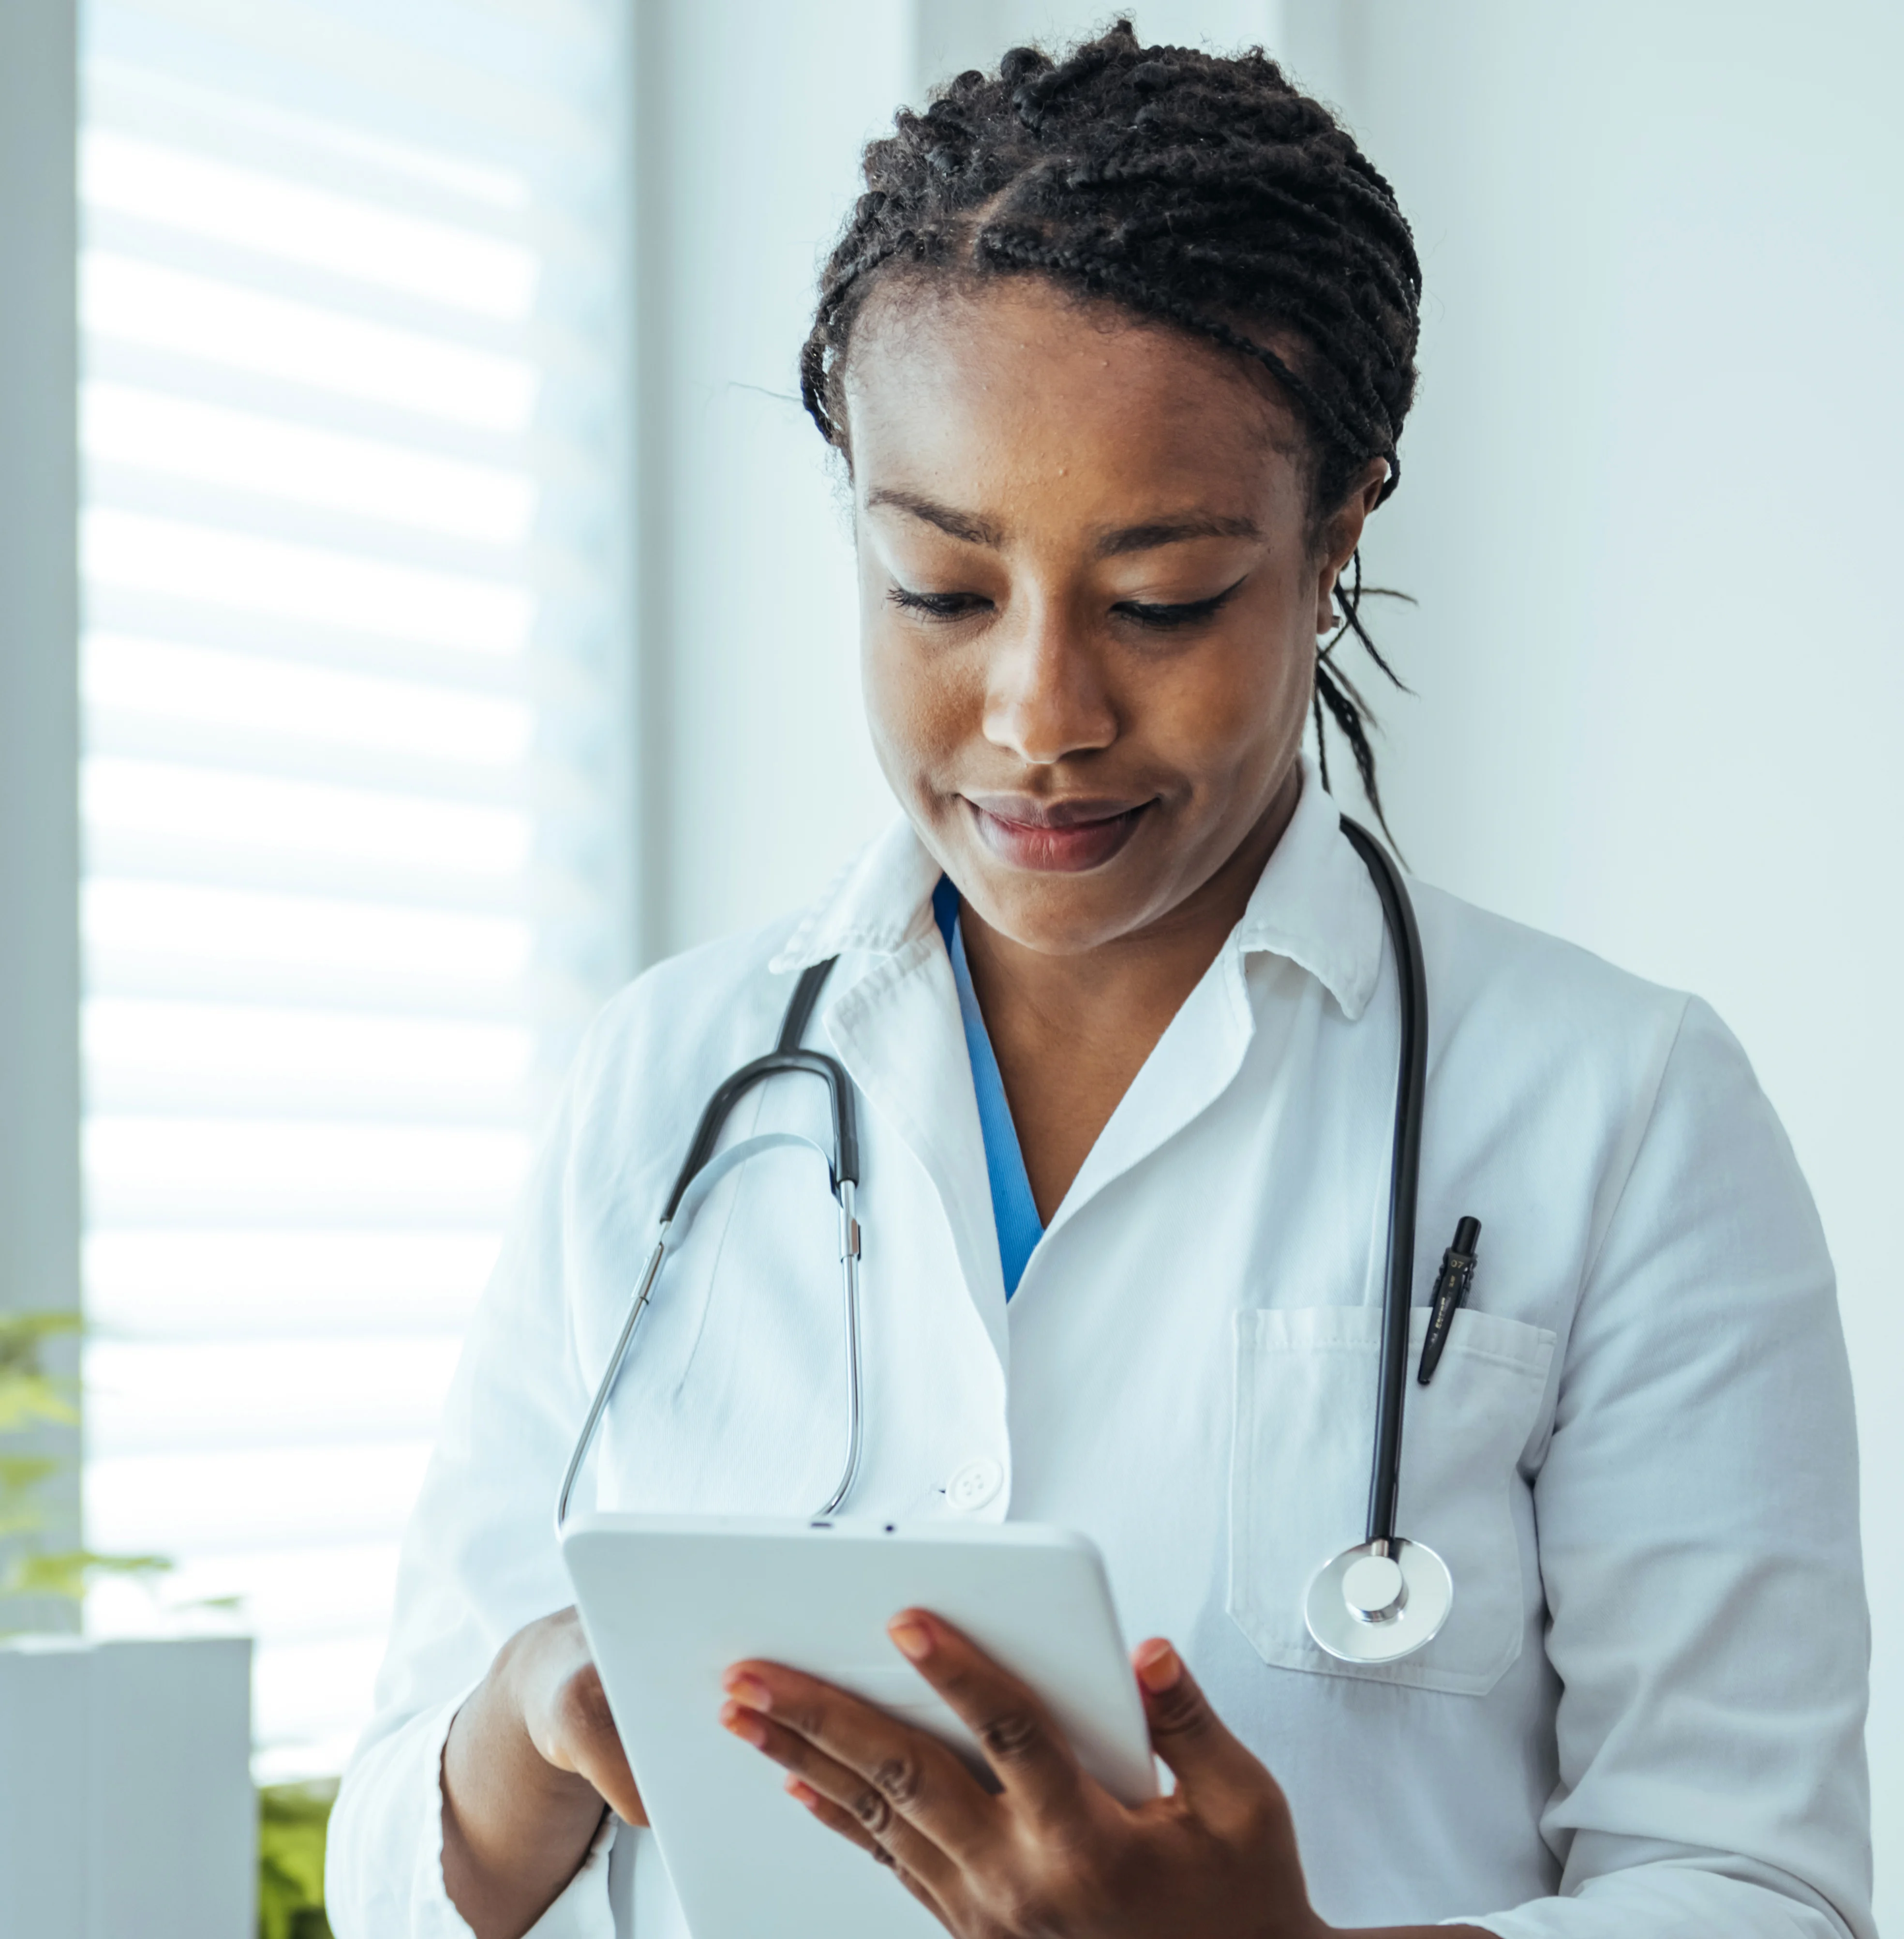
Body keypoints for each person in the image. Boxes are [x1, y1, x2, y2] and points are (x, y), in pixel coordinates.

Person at [324, 24, 1873, 1939]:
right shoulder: (668, 1076)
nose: (1041, 716)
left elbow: (1753, 1894)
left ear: (1339, 537)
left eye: (1163, 601)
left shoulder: (1619, 1114)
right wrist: (528, 1713)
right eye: (944, 592)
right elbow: (399, 1864)